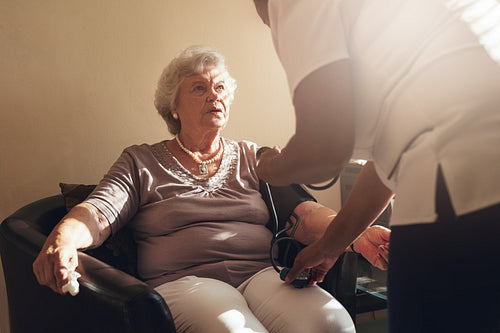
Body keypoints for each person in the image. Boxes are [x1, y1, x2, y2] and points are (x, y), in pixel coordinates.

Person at [33, 45, 390, 333]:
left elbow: (305, 214)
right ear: (173, 106)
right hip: (186, 283)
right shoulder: (141, 161)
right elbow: (98, 211)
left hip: (262, 276)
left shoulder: (255, 157)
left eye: (219, 88)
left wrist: (356, 234)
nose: (213, 96)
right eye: (199, 88)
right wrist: (63, 239)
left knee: (331, 323)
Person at [252, 0, 500, 332]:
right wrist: (330, 246)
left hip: (462, 180)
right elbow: (387, 163)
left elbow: (324, 147)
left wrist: (269, 167)